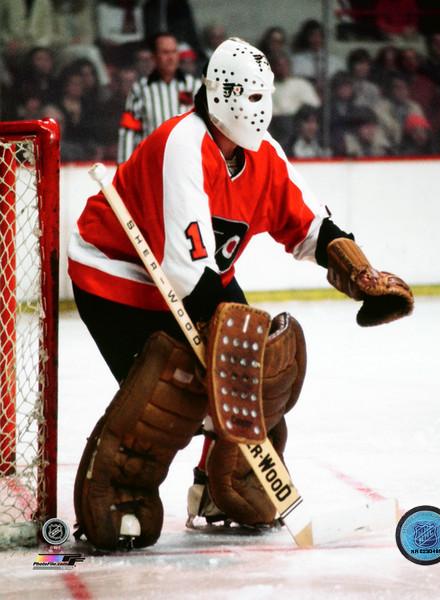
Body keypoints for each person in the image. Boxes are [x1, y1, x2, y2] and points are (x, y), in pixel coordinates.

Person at [68, 38, 413, 550]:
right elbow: (185, 276)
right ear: (218, 94)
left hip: (196, 271)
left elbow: (311, 225)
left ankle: (219, 489)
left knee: (260, 371)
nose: (259, 108)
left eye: (264, 95)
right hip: (118, 271)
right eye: (248, 96)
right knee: (175, 385)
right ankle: (120, 494)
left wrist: (359, 276)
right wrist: (226, 371)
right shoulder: (182, 144)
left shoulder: (263, 155)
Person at [117, 31, 201, 163]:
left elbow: (207, 128)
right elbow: (129, 130)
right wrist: (123, 167)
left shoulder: (195, 86)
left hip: (189, 162)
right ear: (154, 57)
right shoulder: (140, 90)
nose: (171, 57)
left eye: (174, 52)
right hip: (153, 163)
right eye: (165, 52)